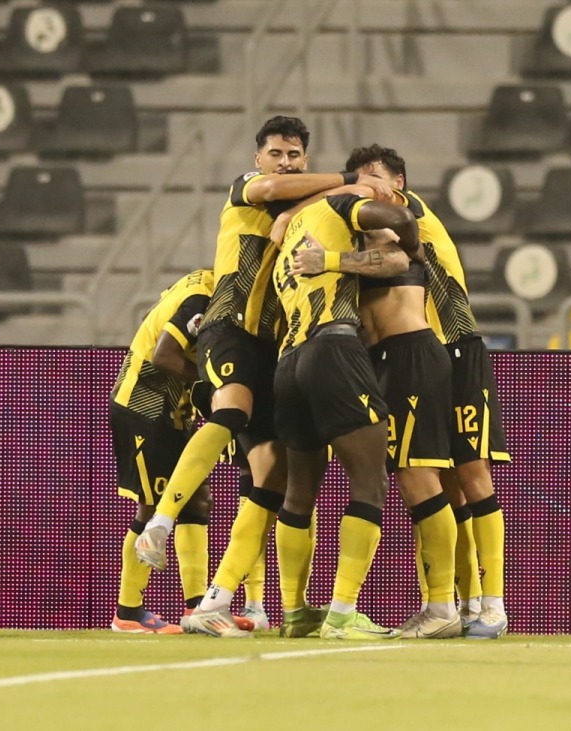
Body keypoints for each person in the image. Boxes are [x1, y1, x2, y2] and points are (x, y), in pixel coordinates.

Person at [135, 115, 394, 638]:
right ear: (258, 158)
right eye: (276, 153)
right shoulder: (248, 188)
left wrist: (304, 207)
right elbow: (276, 191)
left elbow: (305, 203)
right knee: (231, 410)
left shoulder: (303, 215)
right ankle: (161, 522)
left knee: (271, 481)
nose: (285, 163)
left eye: (294, 155)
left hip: (277, 349)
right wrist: (350, 180)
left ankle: (218, 601)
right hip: (231, 327)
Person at [306, 144, 511, 639]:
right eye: (359, 179)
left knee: (471, 473)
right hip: (418, 352)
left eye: (373, 178)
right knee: (442, 481)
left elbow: (398, 247)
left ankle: (491, 604)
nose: (366, 187)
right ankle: (458, 603)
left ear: (397, 182)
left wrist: (314, 236)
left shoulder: (403, 207)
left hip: (454, 345)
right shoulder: (369, 230)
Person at [274, 192, 419, 639]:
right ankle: (341, 614)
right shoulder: (336, 207)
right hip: (334, 347)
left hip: (288, 363)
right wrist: (410, 246)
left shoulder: (287, 242)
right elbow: (399, 219)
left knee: (298, 494)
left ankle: (295, 613)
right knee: (370, 483)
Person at [109, 269, 216, 635]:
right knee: (153, 505)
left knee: (196, 500)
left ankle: (198, 609)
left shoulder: (198, 281)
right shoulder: (203, 298)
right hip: (144, 408)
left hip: (172, 412)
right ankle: (128, 611)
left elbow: (150, 316)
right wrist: (212, 379)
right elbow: (164, 355)